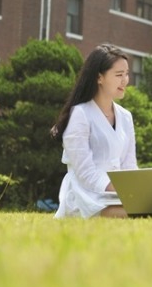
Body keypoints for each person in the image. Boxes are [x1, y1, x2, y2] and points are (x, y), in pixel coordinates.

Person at [51, 44, 136, 219]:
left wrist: (136, 191)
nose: (125, 80)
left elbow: (129, 166)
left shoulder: (125, 117)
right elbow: (85, 172)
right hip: (85, 197)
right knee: (139, 214)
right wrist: (119, 188)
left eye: (126, 74)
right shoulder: (80, 114)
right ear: (99, 77)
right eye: (119, 75)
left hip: (118, 195)